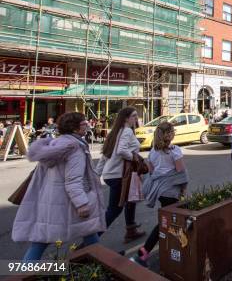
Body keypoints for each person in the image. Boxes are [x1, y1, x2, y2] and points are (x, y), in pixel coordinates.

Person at [12, 112, 106, 260]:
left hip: (50, 200)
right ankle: (104, 264)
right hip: (68, 202)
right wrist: (82, 203)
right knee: (86, 232)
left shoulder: (56, 143)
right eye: (83, 124)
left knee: (44, 239)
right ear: (74, 128)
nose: (87, 125)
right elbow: (73, 180)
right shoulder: (75, 148)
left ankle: (102, 261)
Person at [132, 122, 188, 267]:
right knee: (168, 221)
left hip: (160, 191)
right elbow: (181, 173)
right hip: (171, 191)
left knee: (167, 220)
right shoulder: (175, 151)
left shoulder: (153, 152)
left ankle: (167, 248)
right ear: (169, 134)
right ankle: (146, 251)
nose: (174, 133)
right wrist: (183, 190)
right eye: (172, 131)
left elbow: (152, 171)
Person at [95, 107, 146, 243]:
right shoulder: (127, 131)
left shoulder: (117, 131)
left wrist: (98, 173)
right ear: (125, 118)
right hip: (119, 175)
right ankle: (90, 241)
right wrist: (135, 158)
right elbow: (121, 151)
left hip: (113, 174)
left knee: (131, 200)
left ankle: (131, 230)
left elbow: (106, 155)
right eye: (134, 116)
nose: (136, 118)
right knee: (114, 210)